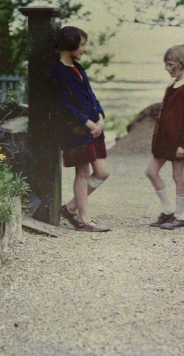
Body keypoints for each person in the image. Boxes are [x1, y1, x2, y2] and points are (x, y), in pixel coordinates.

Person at [50, 26, 110, 232]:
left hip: (92, 128)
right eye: (82, 45)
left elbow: (90, 95)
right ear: (70, 46)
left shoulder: (78, 67)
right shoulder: (58, 72)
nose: (84, 49)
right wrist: (88, 123)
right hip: (76, 131)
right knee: (83, 172)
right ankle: (84, 219)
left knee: (102, 172)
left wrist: (100, 117)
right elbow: (64, 106)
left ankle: (70, 208)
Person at [145, 45, 184, 230]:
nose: (167, 69)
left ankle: (180, 216)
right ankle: (168, 210)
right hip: (164, 140)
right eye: (166, 64)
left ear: (181, 63)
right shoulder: (172, 85)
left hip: (179, 143)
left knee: (178, 176)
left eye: (170, 65)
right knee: (151, 172)